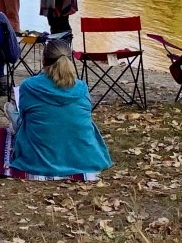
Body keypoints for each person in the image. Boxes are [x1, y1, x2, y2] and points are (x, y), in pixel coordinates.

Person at [7, 39, 112, 177]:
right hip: (86, 159)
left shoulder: (29, 86)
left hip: (39, 162)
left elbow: (25, 116)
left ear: (43, 61)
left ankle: (12, 117)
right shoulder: (82, 87)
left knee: (22, 121)